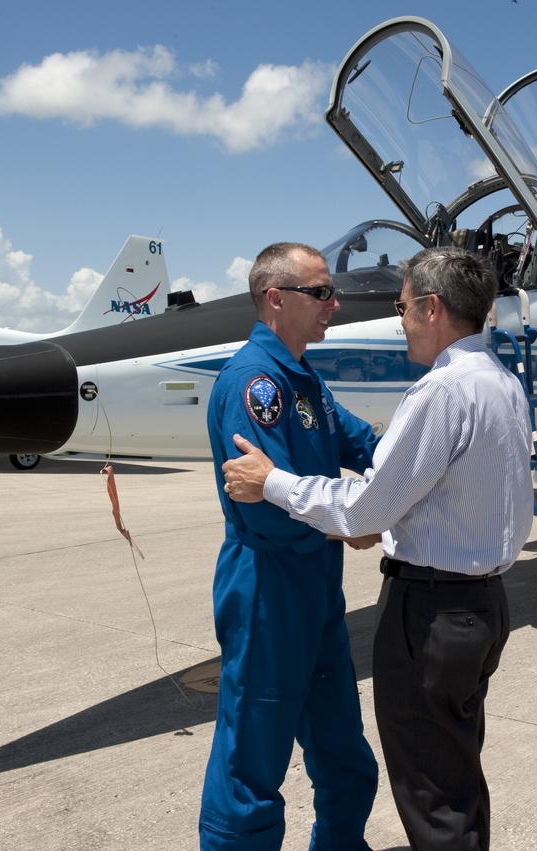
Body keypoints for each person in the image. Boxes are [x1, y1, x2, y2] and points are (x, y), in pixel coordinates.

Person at [223, 246, 533, 850]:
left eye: (402, 306)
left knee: (432, 790)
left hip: (432, 614)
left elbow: (365, 507)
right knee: (453, 775)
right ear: (275, 298)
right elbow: (381, 459)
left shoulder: (440, 392)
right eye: (321, 294)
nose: (397, 319)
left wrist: (277, 484)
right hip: (479, 606)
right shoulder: (502, 383)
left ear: (432, 308)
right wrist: (368, 511)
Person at [199, 242, 381, 851]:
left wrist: (439, 459)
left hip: (317, 592)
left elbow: (363, 443)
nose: (336, 304)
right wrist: (344, 521)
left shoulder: (305, 382)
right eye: (322, 292)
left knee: (343, 753)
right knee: (251, 767)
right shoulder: (255, 384)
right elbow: (264, 509)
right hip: (267, 594)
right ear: (276, 299)